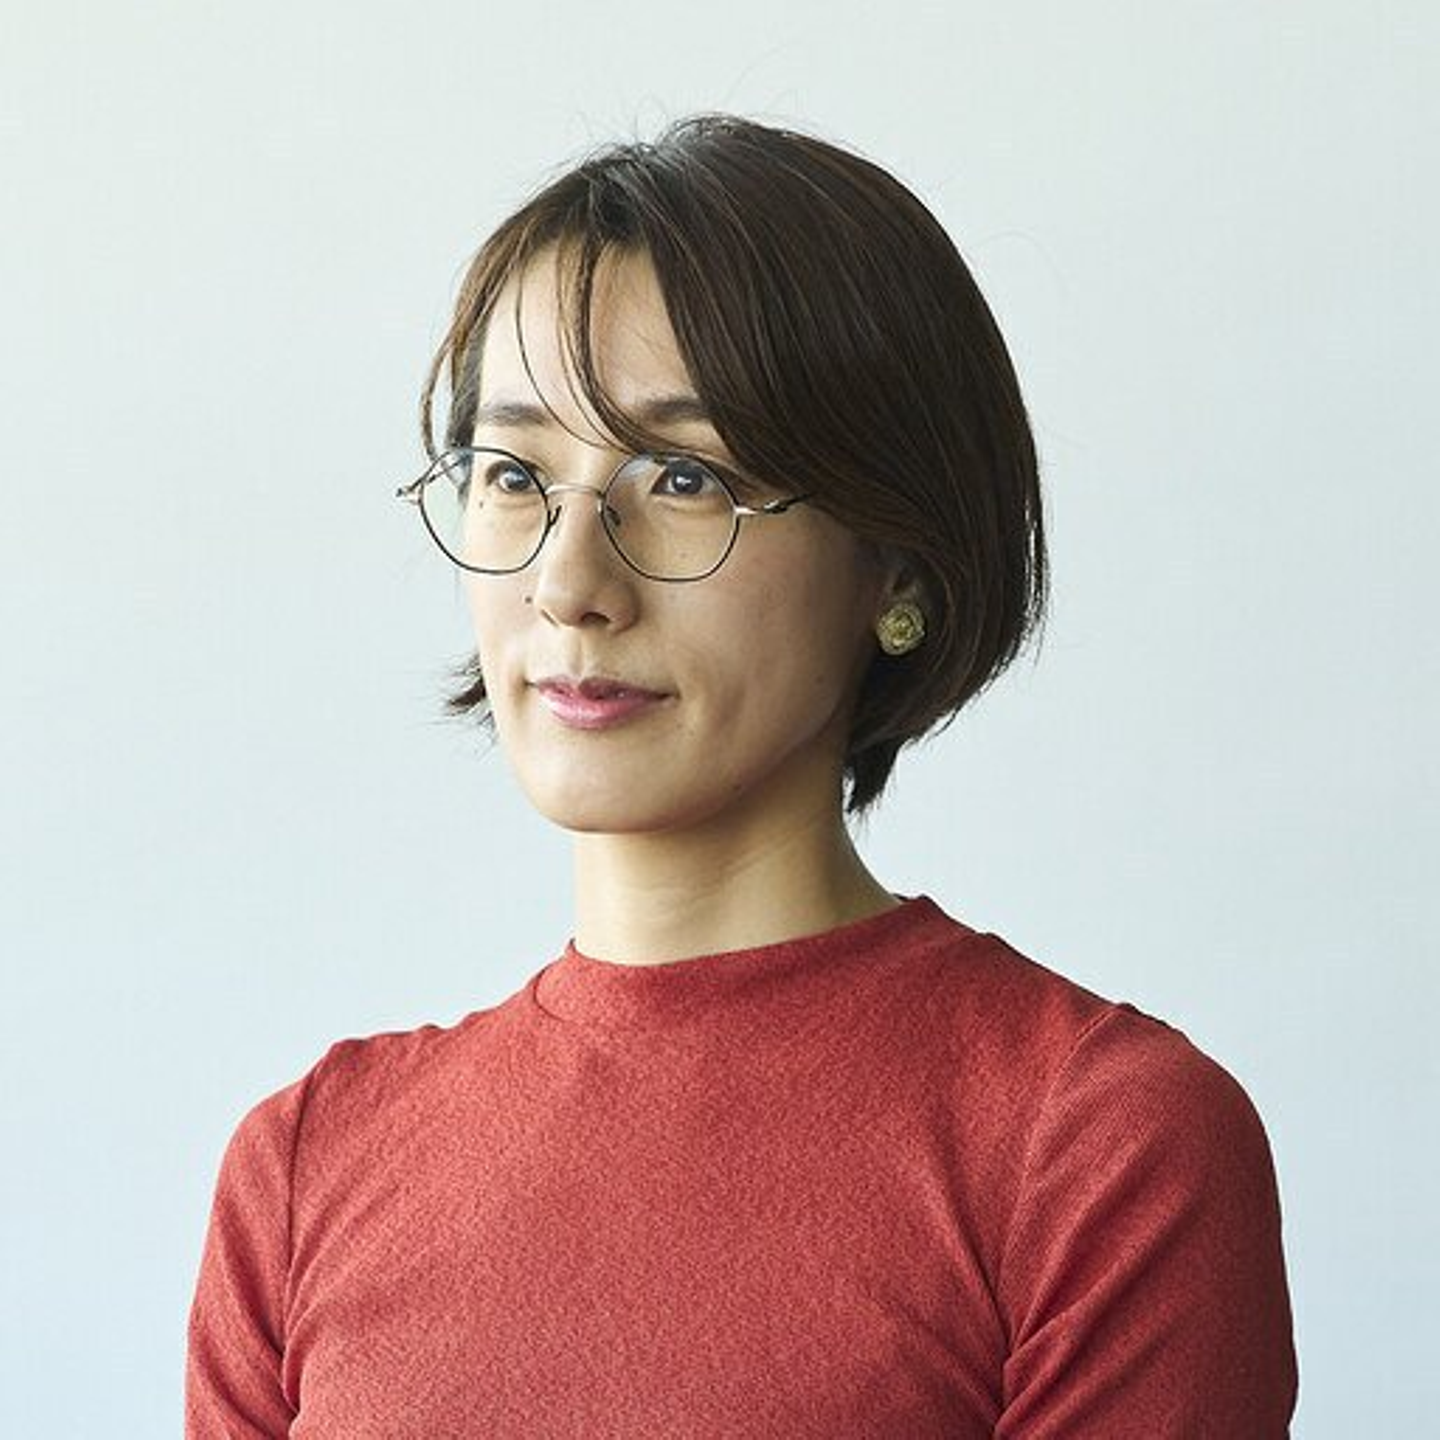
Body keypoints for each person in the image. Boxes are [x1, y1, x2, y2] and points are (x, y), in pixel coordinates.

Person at [186, 115, 1297, 1437]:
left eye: (683, 476)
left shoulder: (1100, 1149)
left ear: (897, 566)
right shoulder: (305, 1165)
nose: (568, 583)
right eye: (513, 473)